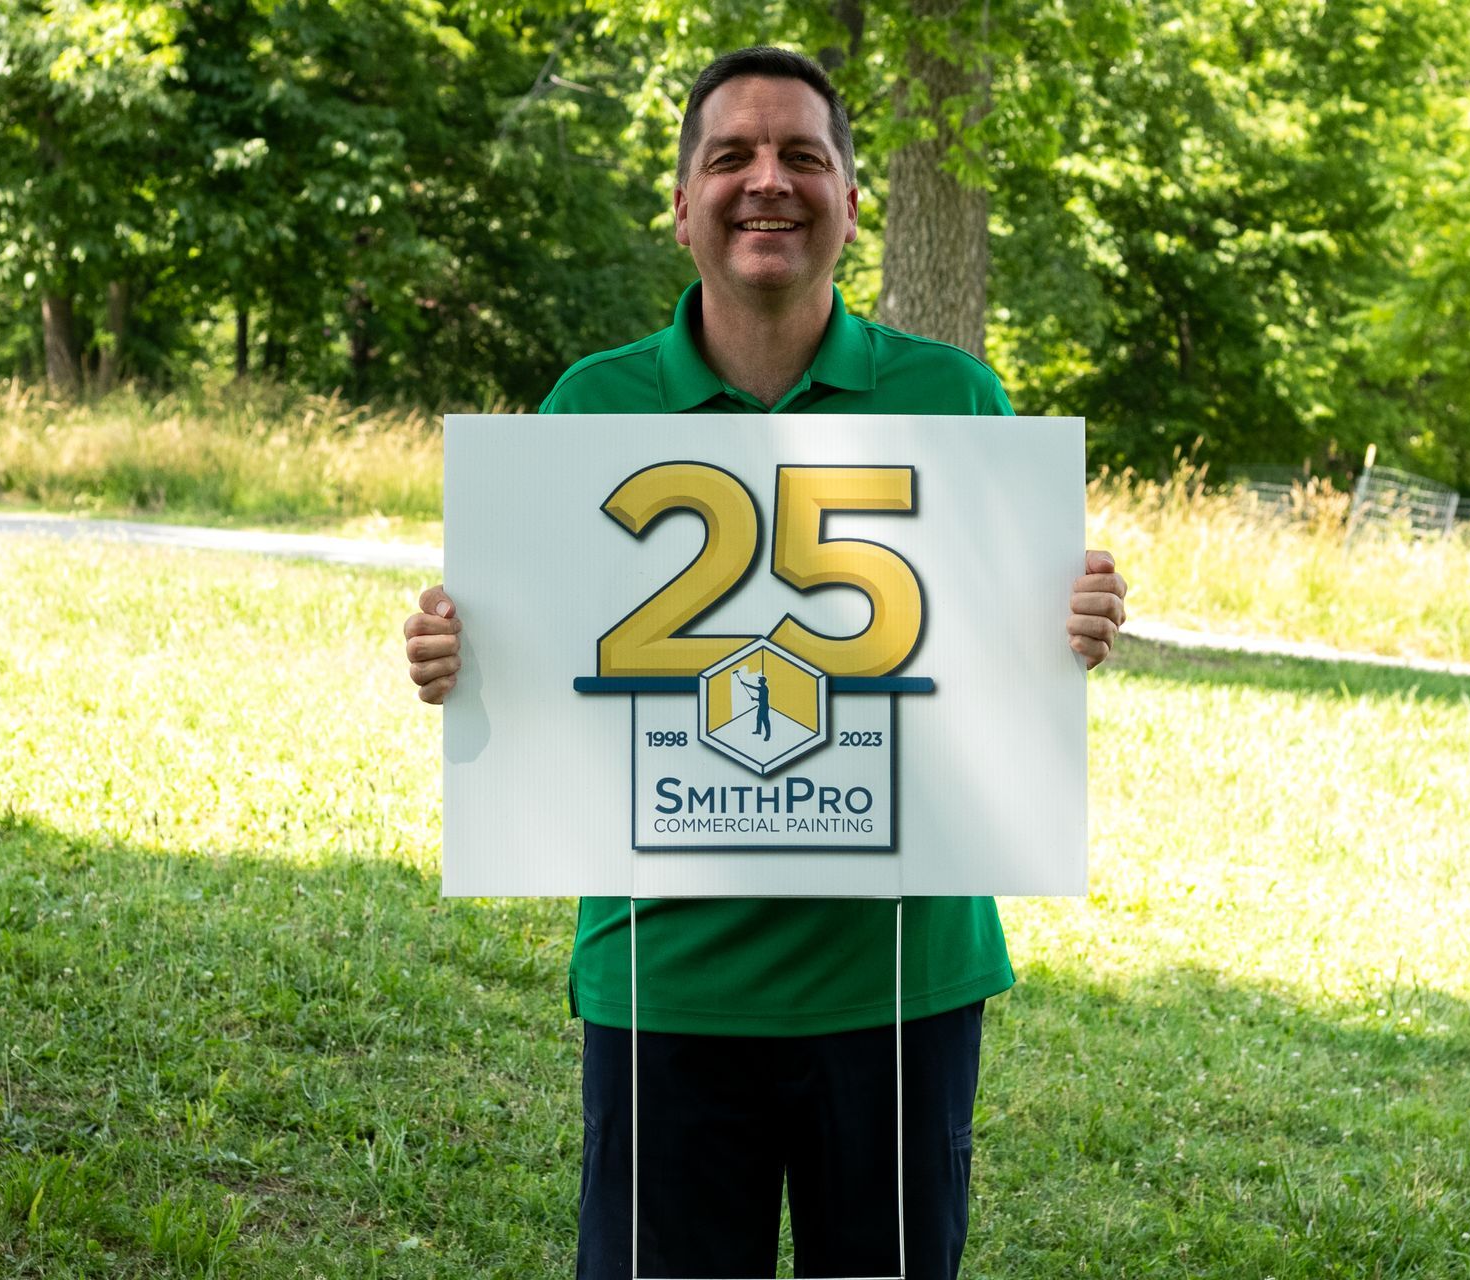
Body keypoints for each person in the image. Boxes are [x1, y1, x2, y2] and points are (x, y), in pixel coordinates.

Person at [403, 46, 1128, 1279]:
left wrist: (1071, 622)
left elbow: (1004, 663)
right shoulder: (591, 405)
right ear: (682, 203)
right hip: (665, 972)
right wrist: (458, 654)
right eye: (730, 155)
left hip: (899, 977)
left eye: (804, 154)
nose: (767, 181)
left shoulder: (955, 402)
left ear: (852, 198)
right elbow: (535, 658)